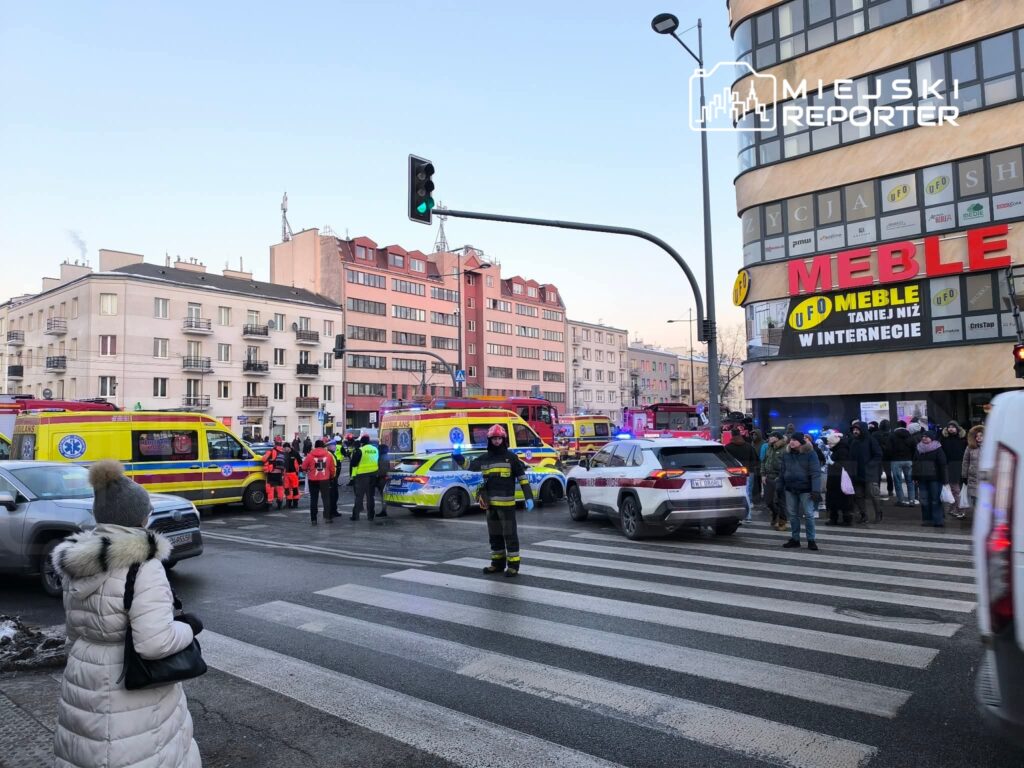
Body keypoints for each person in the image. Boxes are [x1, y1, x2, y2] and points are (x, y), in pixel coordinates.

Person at [52, 460, 202, 768]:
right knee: (142, 755)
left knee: (89, 753)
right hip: (132, 692)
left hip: (84, 676)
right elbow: (154, 643)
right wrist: (189, 628)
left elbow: (73, 628)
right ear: (141, 517)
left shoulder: (76, 561)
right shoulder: (143, 566)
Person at [457, 424, 534, 576]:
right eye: (494, 439)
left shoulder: (511, 458)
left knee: (510, 535)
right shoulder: (485, 458)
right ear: (489, 440)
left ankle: (513, 566)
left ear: (503, 439)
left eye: (499, 438)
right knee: (495, 535)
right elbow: (469, 465)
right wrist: (457, 456)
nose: (497, 441)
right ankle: (497, 564)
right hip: (490, 505)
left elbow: (523, 479)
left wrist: (529, 497)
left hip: (506, 505)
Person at [777, 431, 822, 550]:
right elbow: (782, 472)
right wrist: (779, 485)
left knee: (808, 515)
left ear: (801, 442)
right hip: (790, 488)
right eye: (791, 440)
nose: (792, 442)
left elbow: (816, 473)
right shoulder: (786, 454)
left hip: (806, 489)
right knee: (792, 515)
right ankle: (795, 539)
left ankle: (811, 540)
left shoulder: (810, 454)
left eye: (795, 440)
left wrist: (816, 490)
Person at [849, 421, 882, 523]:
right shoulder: (853, 441)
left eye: (857, 429)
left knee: (873, 494)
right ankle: (864, 515)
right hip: (856, 473)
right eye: (854, 429)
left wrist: (870, 465)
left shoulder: (871, 440)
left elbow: (878, 454)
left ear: (862, 430)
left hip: (869, 473)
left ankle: (878, 514)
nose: (855, 431)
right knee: (858, 495)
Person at [913, 431, 948, 527]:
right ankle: (927, 520)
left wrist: (944, 479)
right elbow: (915, 463)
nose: (924, 438)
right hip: (922, 478)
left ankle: (938, 520)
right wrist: (914, 477)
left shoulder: (937, 448)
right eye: (923, 436)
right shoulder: (918, 448)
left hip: (935, 478)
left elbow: (942, 464)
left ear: (932, 438)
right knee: (924, 499)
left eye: (927, 437)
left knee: (935, 499)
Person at [723, 428, 757, 522]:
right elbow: (754, 459)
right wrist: (750, 468)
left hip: (733, 473)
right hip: (748, 472)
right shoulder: (748, 446)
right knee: (747, 494)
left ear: (732, 436)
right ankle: (748, 516)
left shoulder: (728, 447)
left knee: (733, 493)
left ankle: (733, 516)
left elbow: (725, 461)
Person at [301, 439, 336, 525]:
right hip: (325, 480)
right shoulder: (328, 455)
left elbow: (303, 467)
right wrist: (331, 477)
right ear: (323, 446)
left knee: (314, 500)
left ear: (315, 446)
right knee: (326, 499)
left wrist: (307, 471)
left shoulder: (310, 455)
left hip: (313, 480)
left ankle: (314, 519)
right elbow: (332, 469)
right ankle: (328, 518)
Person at [825, 431, 855, 526]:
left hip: (840, 480)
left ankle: (846, 520)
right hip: (835, 479)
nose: (828, 445)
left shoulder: (842, 450)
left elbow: (844, 465)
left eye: (829, 443)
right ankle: (834, 519)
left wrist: (832, 463)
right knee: (835, 500)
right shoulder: (837, 449)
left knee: (842, 500)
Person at [940, 421, 968, 520]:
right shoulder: (943, 439)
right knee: (954, 489)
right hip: (949, 465)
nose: (951, 428)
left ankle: (959, 509)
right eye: (949, 427)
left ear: (957, 428)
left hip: (960, 465)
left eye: (953, 427)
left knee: (958, 489)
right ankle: (955, 508)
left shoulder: (963, 439)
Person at [349, 432, 379, 521]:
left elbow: (353, 463)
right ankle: (371, 516)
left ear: (362, 443)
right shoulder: (375, 449)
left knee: (359, 496)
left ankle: (355, 516)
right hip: (373, 475)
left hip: (362, 476)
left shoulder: (360, 450)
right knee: (370, 497)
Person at [760, 431, 787, 530]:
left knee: (780, 501)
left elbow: (786, 465)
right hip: (768, 478)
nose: (769, 438)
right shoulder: (769, 447)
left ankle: (782, 521)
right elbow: (764, 461)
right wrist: (763, 474)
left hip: (779, 478)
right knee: (768, 501)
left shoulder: (785, 449)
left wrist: (780, 477)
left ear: (777, 438)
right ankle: (775, 514)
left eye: (771, 437)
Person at [889, 420, 917, 507]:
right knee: (910, 481)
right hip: (908, 461)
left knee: (898, 481)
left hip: (896, 461)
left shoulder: (892, 436)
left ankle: (901, 500)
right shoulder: (910, 436)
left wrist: (891, 457)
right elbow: (914, 449)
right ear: (905, 426)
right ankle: (912, 500)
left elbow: (888, 449)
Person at [961, 425, 984, 512]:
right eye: (976, 436)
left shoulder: (990, 447)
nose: (978, 438)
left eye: (981, 435)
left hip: (985, 478)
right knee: (976, 501)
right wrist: (964, 476)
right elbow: (965, 461)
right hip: (973, 478)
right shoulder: (970, 447)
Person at [261, 438, 287, 510]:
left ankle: (269, 503)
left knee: (270, 488)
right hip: (280, 473)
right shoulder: (283, 452)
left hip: (272, 472)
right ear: (281, 443)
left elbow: (263, 459)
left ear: (274, 443)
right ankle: (280, 503)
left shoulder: (272, 451)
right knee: (280, 488)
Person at [876, 419, 894, 499]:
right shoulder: (892, 435)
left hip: (878, 457)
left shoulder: (875, 434)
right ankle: (890, 491)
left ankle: (877, 491)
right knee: (889, 475)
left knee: (878, 475)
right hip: (888, 457)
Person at [281, 442, 302, 508]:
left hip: (294, 473)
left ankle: (295, 503)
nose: (284, 449)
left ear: (288, 447)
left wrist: (299, 470)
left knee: (295, 488)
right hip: (286, 473)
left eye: (285, 448)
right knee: (287, 489)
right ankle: (288, 503)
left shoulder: (295, 453)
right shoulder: (284, 454)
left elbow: (300, 462)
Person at [374, 441, 391, 523]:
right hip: (383, 478)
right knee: (383, 496)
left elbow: (383, 470)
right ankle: (383, 511)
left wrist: (376, 475)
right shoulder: (385, 456)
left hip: (382, 479)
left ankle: (384, 511)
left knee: (383, 496)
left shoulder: (382, 457)